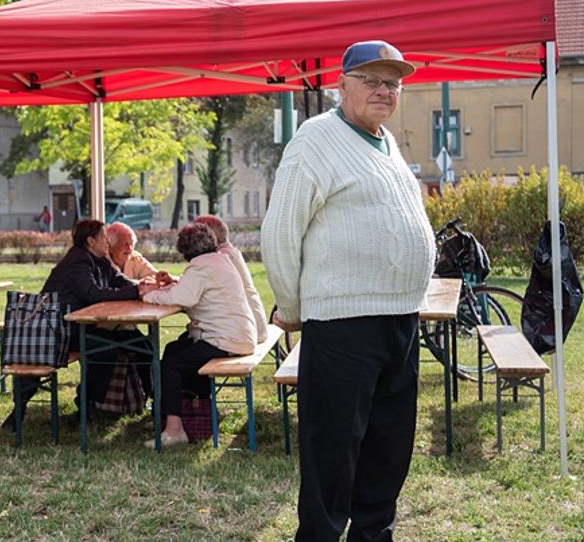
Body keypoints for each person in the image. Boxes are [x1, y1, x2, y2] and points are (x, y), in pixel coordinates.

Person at [262, 40, 436, 541]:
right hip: (342, 324)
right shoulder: (316, 139)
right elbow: (280, 233)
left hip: (400, 319)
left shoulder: (386, 142)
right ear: (343, 85)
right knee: (334, 454)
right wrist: (293, 309)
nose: (385, 89)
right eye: (371, 80)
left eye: (393, 82)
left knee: (388, 447)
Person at [3, 219, 157, 429]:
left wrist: (142, 286)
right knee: (106, 351)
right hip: (57, 330)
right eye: (104, 237)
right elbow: (92, 294)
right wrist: (136, 291)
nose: (108, 242)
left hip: (80, 327)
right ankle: (85, 407)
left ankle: (156, 406)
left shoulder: (99, 259)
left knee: (142, 345)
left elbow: (120, 280)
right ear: (90, 241)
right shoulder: (76, 261)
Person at [138, 221, 255, 448]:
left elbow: (183, 298)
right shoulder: (220, 260)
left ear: (184, 250)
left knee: (171, 363)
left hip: (226, 340)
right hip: (238, 335)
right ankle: (186, 414)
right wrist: (174, 281)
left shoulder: (200, 266)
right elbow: (195, 288)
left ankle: (174, 430)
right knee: (175, 349)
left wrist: (147, 296)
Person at [193, 214, 269, 345]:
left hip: (245, 332)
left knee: (183, 347)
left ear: (212, 237)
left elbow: (194, 293)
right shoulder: (231, 253)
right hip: (255, 325)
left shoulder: (221, 258)